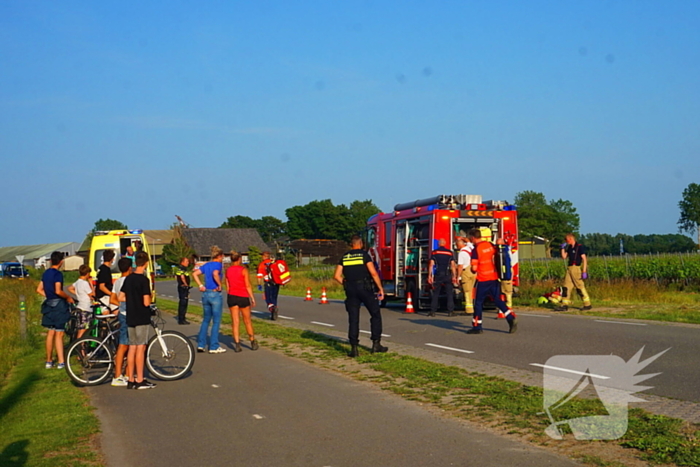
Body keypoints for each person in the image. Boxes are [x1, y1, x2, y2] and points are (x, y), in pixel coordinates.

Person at [333, 235, 387, 358]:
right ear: (361, 244)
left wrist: (346, 284)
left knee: (353, 318)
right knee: (375, 314)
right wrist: (380, 288)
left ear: (351, 244)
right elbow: (373, 273)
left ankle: (354, 348)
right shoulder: (364, 255)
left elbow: (336, 276)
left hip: (350, 289)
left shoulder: (345, 257)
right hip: (365, 288)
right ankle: (376, 344)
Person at [467, 229, 517, 334]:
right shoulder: (490, 245)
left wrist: (472, 268)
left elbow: (474, 268)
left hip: (483, 279)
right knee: (498, 300)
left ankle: (477, 327)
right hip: (494, 278)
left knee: (478, 303)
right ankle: (510, 317)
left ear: (472, 238)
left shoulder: (476, 249)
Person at [120, 251, 156, 389]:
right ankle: (140, 379)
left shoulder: (128, 279)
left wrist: (131, 299)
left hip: (130, 315)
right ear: (146, 263)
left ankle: (130, 379)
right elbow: (146, 302)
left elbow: (120, 297)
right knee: (141, 347)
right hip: (141, 316)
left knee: (132, 347)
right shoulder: (144, 280)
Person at [36, 251, 74, 369]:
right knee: (59, 333)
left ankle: (49, 360)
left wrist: (48, 295)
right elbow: (58, 291)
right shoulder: (58, 274)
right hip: (58, 306)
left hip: (49, 305)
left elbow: (39, 289)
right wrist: (68, 297)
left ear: (51, 261)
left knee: (50, 332)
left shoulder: (46, 273)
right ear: (61, 262)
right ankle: (61, 361)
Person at [193, 246, 226, 354]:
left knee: (206, 319)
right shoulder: (218, 265)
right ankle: (214, 345)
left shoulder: (207, 265)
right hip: (215, 293)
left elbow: (195, 274)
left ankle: (201, 344)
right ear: (219, 256)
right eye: (222, 256)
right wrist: (219, 284)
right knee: (216, 321)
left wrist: (200, 285)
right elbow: (215, 274)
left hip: (206, 293)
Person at [226, 251, 258, 352]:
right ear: (239, 259)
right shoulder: (243, 270)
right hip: (242, 296)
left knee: (235, 321)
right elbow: (247, 285)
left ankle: (237, 343)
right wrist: (252, 298)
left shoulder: (228, 270)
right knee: (247, 320)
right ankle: (252, 341)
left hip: (232, 296)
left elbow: (227, 286)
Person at [110, 257, 132, 387]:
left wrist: (121, 305)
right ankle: (118, 375)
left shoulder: (117, 282)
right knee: (124, 345)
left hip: (122, 313)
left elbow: (113, 299)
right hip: (128, 315)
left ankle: (127, 374)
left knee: (127, 345)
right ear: (130, 268)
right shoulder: (129, 280)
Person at [555, 234, 592, 311]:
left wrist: (584, 271)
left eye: (566, 240)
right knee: (566, 287)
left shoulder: (579, 247)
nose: (566, 241)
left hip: (576, 268)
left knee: (579, 286)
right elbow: (564, 256)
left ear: (571, 239)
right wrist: (562, 248)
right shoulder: (569, 247)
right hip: (569, 268)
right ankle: (564, 305)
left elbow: (584, 259)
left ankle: (587, 304)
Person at [428, 238, 458, 317]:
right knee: (449, 293)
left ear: (438, 244)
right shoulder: (449, 253)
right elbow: (453, 265)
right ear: (445, 244)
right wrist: (454, 276)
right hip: (447, 275)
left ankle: (433, 311)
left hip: (438, 275)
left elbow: (431, 264)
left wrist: (430, 276)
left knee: (436, 293)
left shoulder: (434, 252)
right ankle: (450, 311)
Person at [67, 264, 94, 340]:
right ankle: (79, 344)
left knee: (81, 328)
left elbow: (69, 288)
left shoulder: (78, 282)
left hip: (80, 306)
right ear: (87, 273)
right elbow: (93, 295)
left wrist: (78, 293)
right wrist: (91, 284)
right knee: (83, 330)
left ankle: (80, 344)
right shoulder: (85, 283)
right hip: (86, 308)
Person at [456, 236, 476, 315]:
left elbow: (460, 266)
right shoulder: (470, 247)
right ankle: (472, 307)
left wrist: (458, 276)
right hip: (473, 271)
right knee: (471, 290)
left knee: (467, 291)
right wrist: (463, 238)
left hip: (466, 272)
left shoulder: (461, 253)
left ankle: (469, 310)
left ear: (459, 245)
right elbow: (468, 241)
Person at [257, 251, 279, 320]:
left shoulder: (262, 264)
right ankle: (275, 307)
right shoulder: (274, 262)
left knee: (268, 297)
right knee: (274, 297)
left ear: (264, 256)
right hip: (276, 282)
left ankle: (272, 309)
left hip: (268, 282)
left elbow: (259, 276)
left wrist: (259, 284)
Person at [496, 238, 514, 313]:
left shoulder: (496, 251)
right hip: (507, 273)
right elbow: (511, 263)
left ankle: (504, 308)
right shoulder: (507, 250)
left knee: (501, 292)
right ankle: (508, 307)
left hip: (499, 274)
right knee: (508, 292)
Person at [174, 257, 191, 325]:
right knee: (183, 303)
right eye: (186, 261)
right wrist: (186, 284)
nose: (188, 263)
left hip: (184, 288)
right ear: (182, 262)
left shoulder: (184, 269)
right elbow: (182, 277)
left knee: (185, 302)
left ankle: (183, 318)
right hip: (183, 288)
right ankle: (181, 319)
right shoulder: (181, 268)